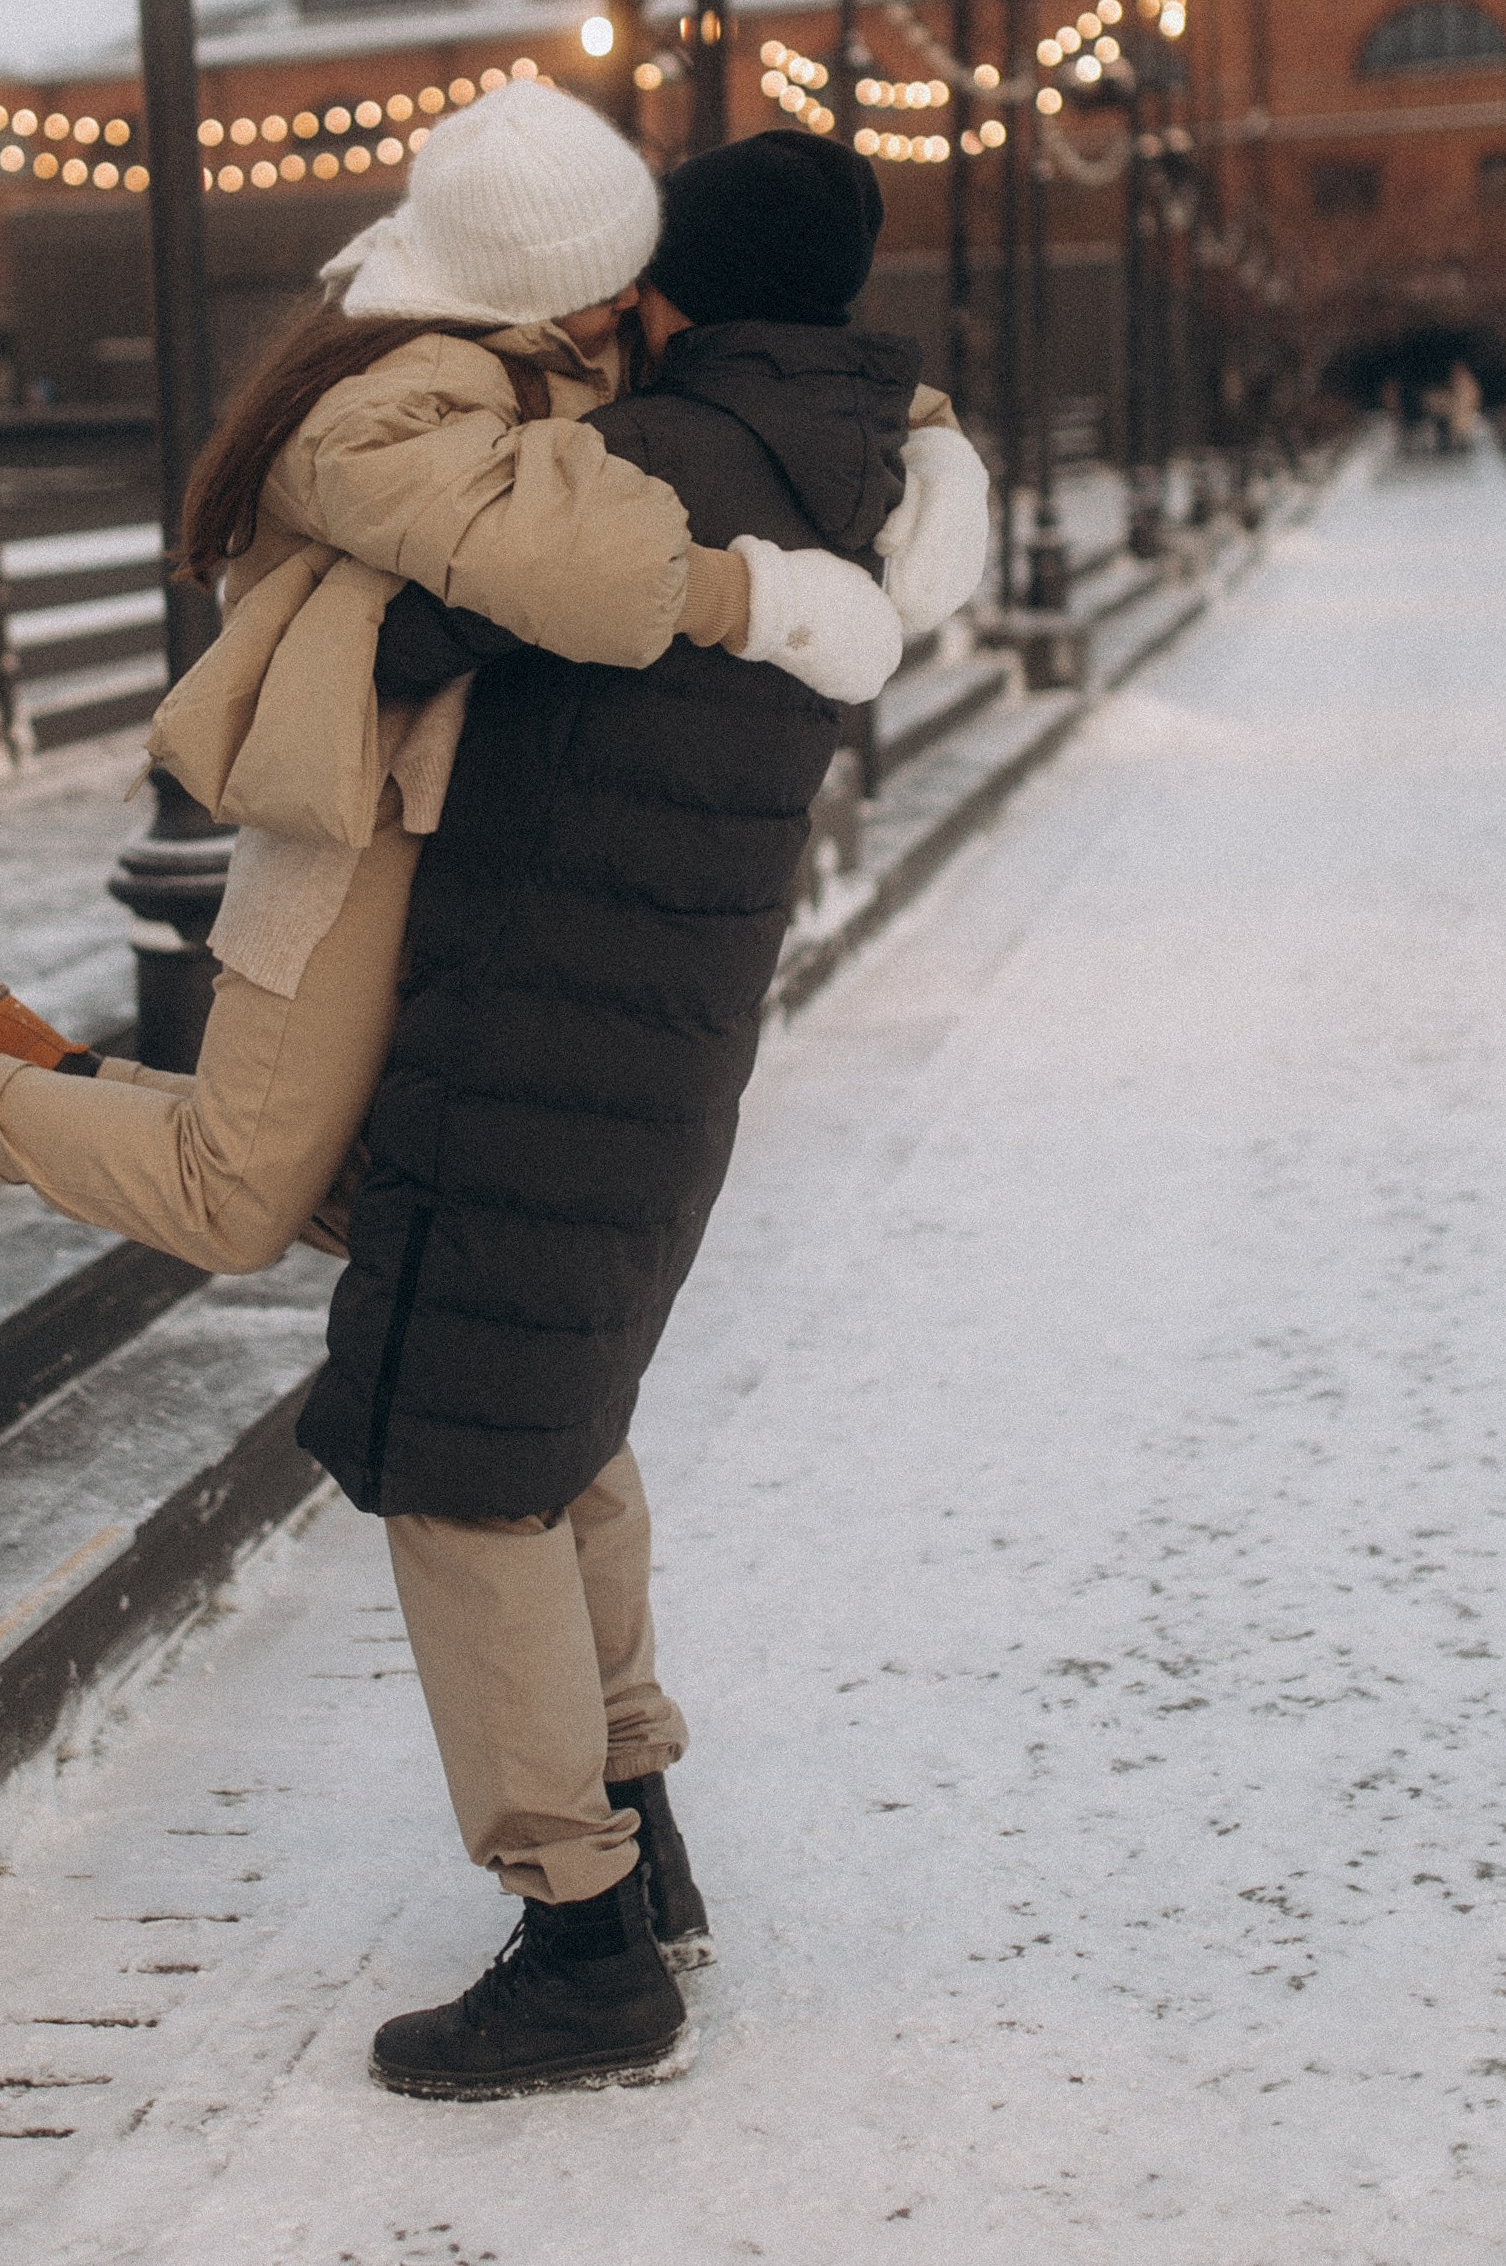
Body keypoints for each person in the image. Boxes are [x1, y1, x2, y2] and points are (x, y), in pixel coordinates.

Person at [295, 126, 988, 2101]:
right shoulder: (848, 457)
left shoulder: (648, 464)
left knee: (465, 1469)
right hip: (661, 1025)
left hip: (535, 1010)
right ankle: (638, 1835)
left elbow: (396, 628)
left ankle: (583, 1949)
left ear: (660, 283)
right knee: (556, 1428)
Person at [0, 83, 919, 1249]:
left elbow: (767, 386)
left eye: (635, 268)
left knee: (390, 1182)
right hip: (348, 816)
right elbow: (554, 553)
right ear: (517, 287)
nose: (630, 299)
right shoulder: (389, 401)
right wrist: (764, 602)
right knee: (233, 1204)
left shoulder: (544, 345)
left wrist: (931, 444)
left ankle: (30, 1072)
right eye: (603, 279)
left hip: (441, 805)